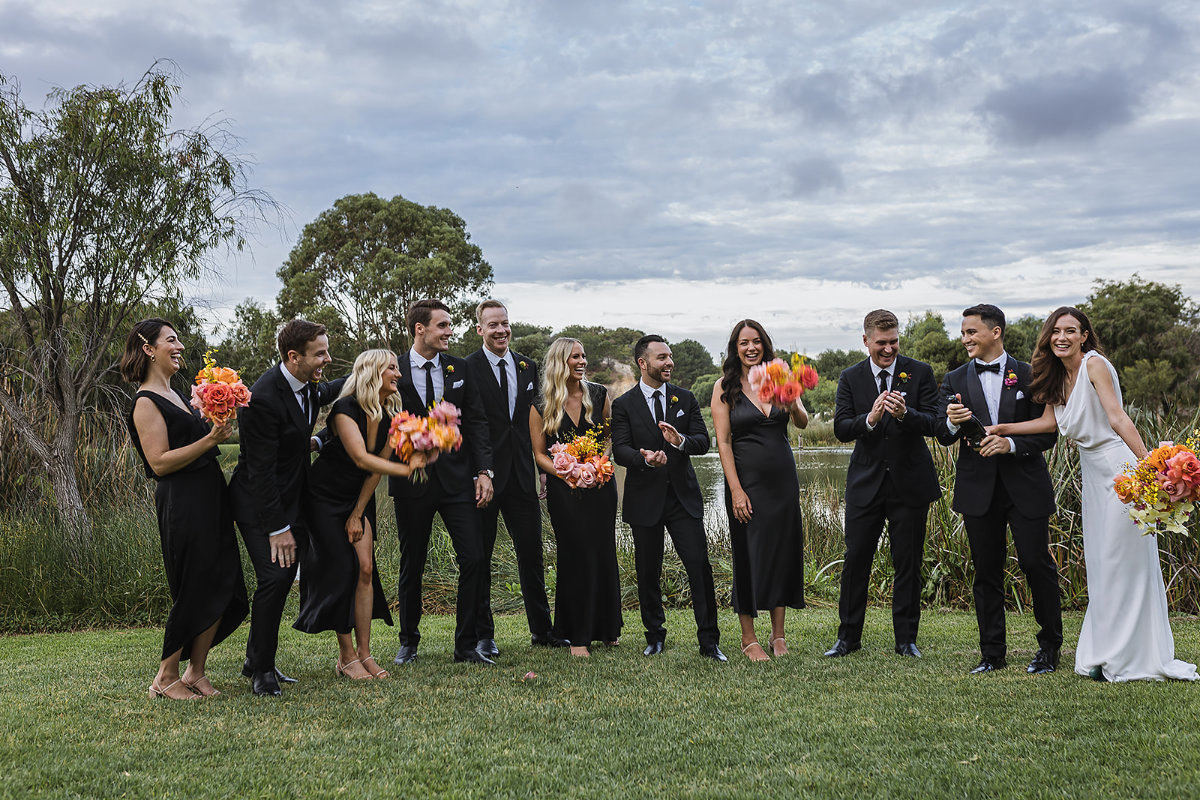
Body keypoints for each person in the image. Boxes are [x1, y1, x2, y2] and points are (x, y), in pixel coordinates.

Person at [988, 307, 1197, 682]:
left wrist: (1151, 466)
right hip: (1092, 474)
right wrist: (1002, 427)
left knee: (1123, 561)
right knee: (1102, 562)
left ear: (1084, 336)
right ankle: (1105, 652)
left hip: (1120, 470)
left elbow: (1118, 418)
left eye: (1071, 330)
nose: (1062, 337)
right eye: (1056, 331)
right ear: (1048, 337)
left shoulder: (1094, 365)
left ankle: (1131, 656)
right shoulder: (1056, 374)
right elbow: (1049, 422)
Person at [122, 318, 248, 699]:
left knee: (224, 580)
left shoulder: (179, 394)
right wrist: (211, 439)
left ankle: (196, 671)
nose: (179, 347)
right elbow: (159, 462)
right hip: (182, 500)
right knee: (194, 583)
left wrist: (221, 425)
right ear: (148, 349)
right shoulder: (145, 402)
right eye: (171, 341)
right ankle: (165, 676)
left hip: (211, 493)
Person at [934, 304, 1063, 675]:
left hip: (1026, 485)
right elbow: (942, 436)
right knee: (986, 571)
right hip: (979, 490)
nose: (965, 339)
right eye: (963, 333)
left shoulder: (1030, 373)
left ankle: (1049, 649)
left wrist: (1010, 445)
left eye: (971, 332)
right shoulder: (955, 378)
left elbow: (1048, 432)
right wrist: (952, 422)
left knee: (1037, 564)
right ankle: (992, 654)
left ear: (995, 332)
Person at [294, 349, 428, 679]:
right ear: (372, 372)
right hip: (324, 497)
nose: (398, 373)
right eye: (392, 368)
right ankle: (346, 656)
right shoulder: (344, 409)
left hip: (357, 497)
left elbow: (372, 474)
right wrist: (406, 468)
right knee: (342, 568)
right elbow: (361, 460)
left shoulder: (391, 412)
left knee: (366, 569)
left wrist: (357, 513)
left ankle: (365, 654)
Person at [229, 319, 345, 696]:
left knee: (280, 579)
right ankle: (262, 670)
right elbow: (260, 473)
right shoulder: (262, 398)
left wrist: (368, 369)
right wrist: (277, 528)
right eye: (320, 354)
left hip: (292, 498)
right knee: (276, 578)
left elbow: (327, 391)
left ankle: (254, 657)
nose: (327, 359)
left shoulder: (307, 385)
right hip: (257, 503)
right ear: (293, 357)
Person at [826, 310, 941, 659]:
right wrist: (871, 419)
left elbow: (935, 424)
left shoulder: (919, 372)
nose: (888, 349)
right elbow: (842, 428)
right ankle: (848, 639)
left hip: (910, 483)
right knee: (855, 559)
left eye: (893, 342)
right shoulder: (851, 377)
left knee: (908, 561)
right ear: (866, 341)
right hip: (866, 484)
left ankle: (906, 640)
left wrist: (906, 415)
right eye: (881, 343)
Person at [390, 299, 495, 665]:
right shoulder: (395, 370)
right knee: (412, 562)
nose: (450, 331)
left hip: (457, 482)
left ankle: (466, 645)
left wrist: (484, 472)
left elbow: (477, 422)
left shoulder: (460, 367)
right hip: (411, 481)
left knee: (475, 557)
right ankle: (408, 641)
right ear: (420, 329)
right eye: (443, 325)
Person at [611, 335, 725, 662]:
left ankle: (709, 641)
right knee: (648, 571)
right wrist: (644, 458)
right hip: (644, 499)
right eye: (661, 358)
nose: (669, 363)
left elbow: (703, 442)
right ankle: (654, 636)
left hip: (683, 500)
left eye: (670, 356)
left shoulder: (685, 399)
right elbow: (620, 450)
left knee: (699, 568)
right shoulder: (624, 405)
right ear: (643, 363)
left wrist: (679, 442)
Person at [465, 300, 560, 657]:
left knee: (532, 555)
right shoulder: (467, 368)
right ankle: (484, 635)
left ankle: (542, 630)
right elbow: (471, 426)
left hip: (523, 474)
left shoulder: (527, 366)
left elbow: (536, 422)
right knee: (481, 556)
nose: (501, 330)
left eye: (505, 323)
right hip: (484, 479)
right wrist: (479, 471)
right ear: (480, 330)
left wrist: (545, 468)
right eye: (493, 325)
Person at [711, 319, 808, 661]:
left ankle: (778, 636)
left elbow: (802, 422)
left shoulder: (779, 378)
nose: (750, 348)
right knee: (748, 554)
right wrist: (736, 490)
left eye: (756, 342)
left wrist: (793, 399)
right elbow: (723, 441)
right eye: (743, 343)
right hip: (746, 482)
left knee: (782, 552)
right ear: (735, 349)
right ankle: (748, 637)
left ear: (765, 345)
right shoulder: (724, 386)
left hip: (783, 480)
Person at [530, 338, 622, 657]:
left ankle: (609, 629)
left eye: (584, 355)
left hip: (600, 487)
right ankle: (578, 636)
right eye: (575, 357)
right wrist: (568, 473)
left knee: (602, 552)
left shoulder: (598, 394)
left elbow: (611, 437)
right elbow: (539, 454)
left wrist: (597, 465)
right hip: (564, 491)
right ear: (560, 362)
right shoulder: (541, 403)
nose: (582, 361)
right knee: (575, 555)